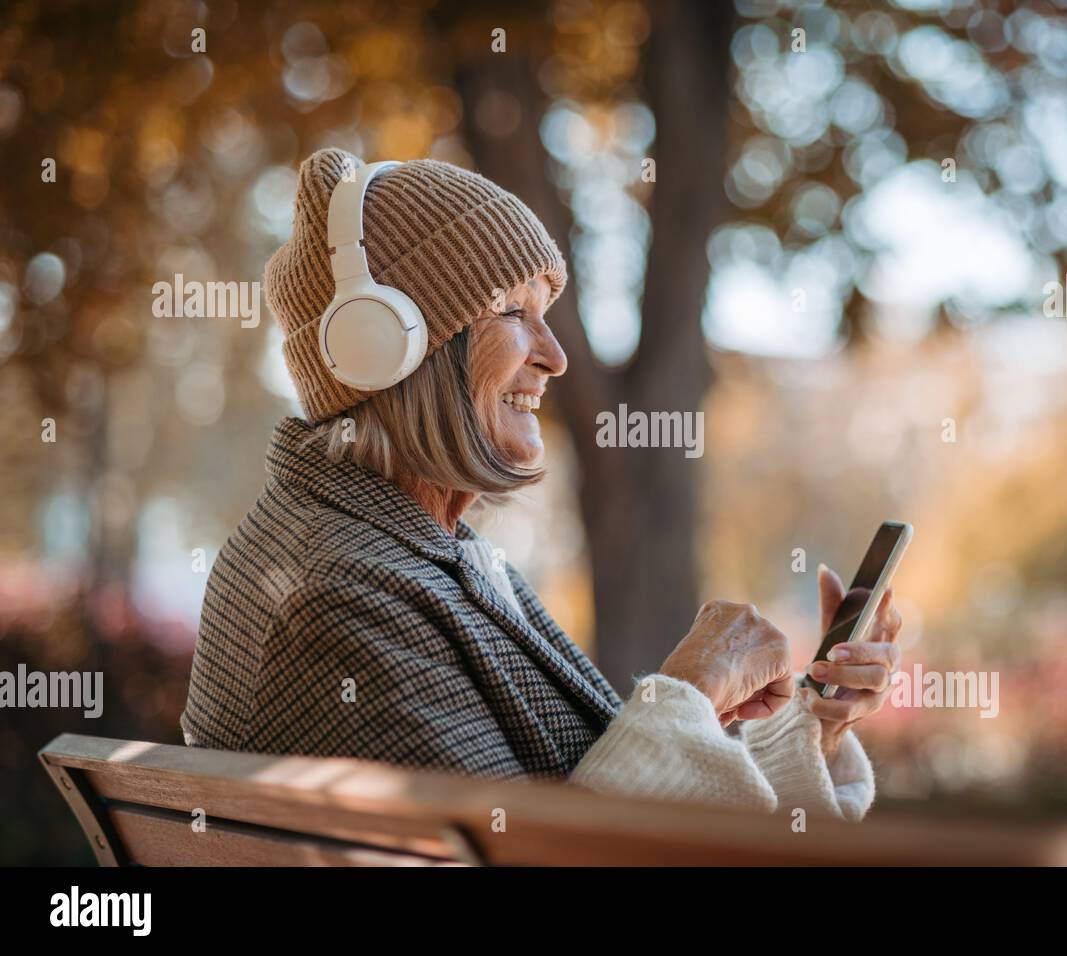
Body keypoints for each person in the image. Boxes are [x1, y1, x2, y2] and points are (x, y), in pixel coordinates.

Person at [180, 149, 902, 821]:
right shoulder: (338, 595)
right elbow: (534, 852)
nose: (554, 356)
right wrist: (688, 687)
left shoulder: (424, 556)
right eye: (512, 312)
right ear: (386, 346)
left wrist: (813, 726)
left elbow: (582, 795)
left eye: (546, 315)